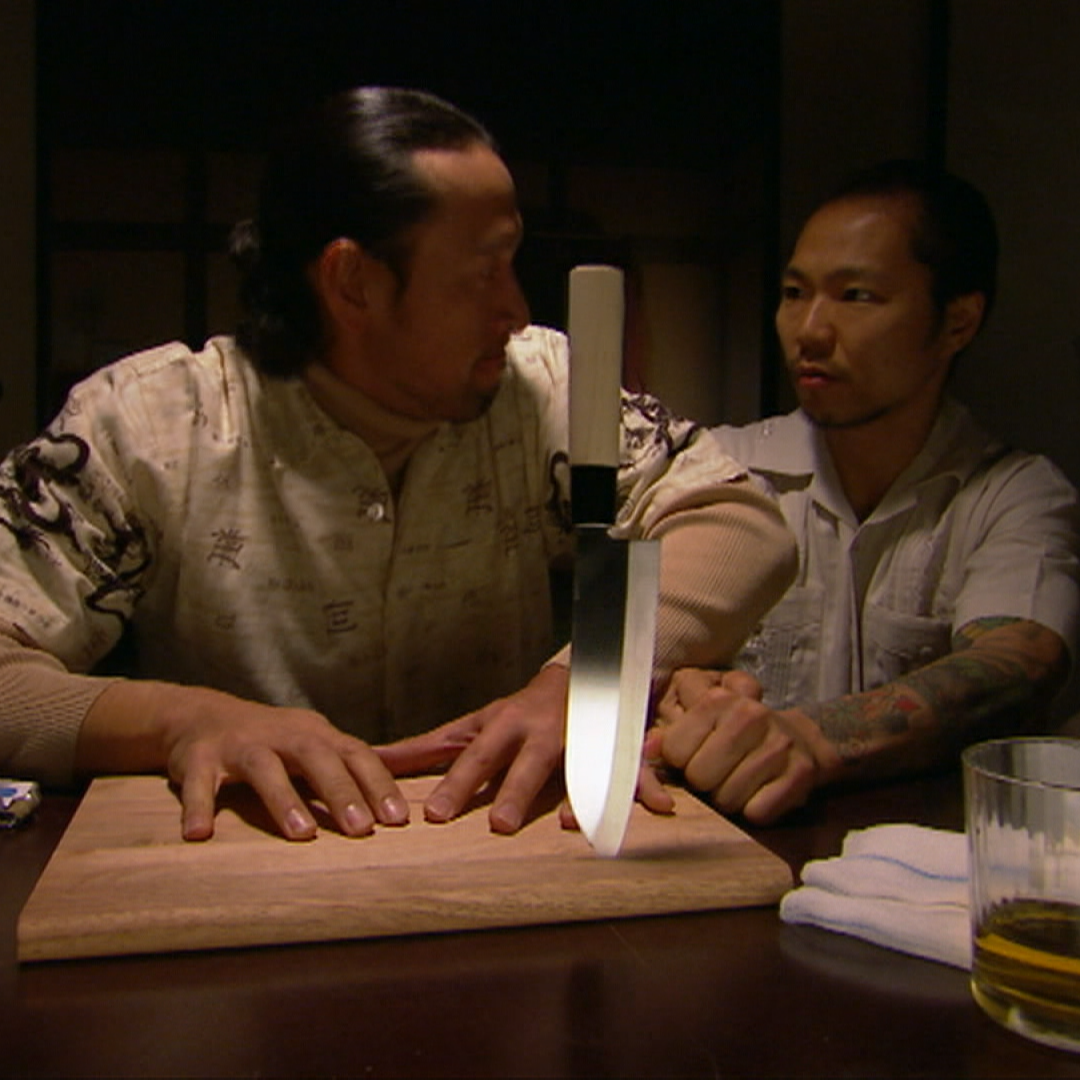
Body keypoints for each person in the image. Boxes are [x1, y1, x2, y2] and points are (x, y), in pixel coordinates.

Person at [0, 86, 797, 841]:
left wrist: (587, 679)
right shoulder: (147, 425)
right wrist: (180, 721)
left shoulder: (542, 385)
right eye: (484, 271)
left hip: (496, 850)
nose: (516, 308)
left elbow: (738, 523)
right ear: (353, 281)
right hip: (241, 867)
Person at [651, 159, 1080, 824]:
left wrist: (809, 738)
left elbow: (1017, 665)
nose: (810, 331)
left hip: (929, 860)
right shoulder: (718, 470)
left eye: (857, 296)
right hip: (739, 846)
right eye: (794, 293)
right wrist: (682, 692)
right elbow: (638, 649)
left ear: (958, 322)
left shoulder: (1013, 494)